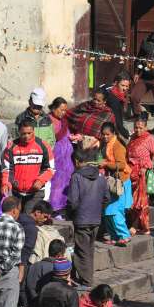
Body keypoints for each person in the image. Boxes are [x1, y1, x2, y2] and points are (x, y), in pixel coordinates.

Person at [66, 147, 109, 288]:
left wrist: (71, 213)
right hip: (96, 219)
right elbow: (106, 197)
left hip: (81, 219)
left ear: (77, 162)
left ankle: (87, 280)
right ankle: (87, 277)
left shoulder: (76, 177)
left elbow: (73, 201)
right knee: (89, 249)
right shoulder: (101, 177)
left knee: (81, 251)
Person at [1, 118, 54, 214]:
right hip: (16, 192)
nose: (26, 136)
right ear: (19, 132)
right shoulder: (11, 146)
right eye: (23, 133)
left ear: (33, 131)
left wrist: (40, 180)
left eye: (29, 133)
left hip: (36, 192)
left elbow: (50, 168)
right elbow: (7, 168)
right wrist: (6, 183)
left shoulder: (43, 146)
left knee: (29, 220)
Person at [127, 115, 154, 235]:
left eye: (141, 128)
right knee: (132, 201)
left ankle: (137, 225)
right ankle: (134, 224)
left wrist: (147, 166)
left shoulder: (149, 139)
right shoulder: (132, 138)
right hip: (131, 174)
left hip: (143, 175)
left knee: (140, 202)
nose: (138, 130)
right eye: (136, 127)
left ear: (146, 127)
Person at [100, 122, 133, 245]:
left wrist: (106, 164)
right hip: (111, 182)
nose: (105, 137)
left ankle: (124, 235)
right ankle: (114, 236)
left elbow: (121, 164)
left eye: (107, 135)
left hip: (120, 182)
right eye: (103, 135)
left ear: (113, 133)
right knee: (108, 212)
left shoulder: (117, 145)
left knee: (115, 211)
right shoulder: (105, 144)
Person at [48, 97, 74, 213]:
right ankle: (52, 209)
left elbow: (65, 135)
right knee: (55, 186)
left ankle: (61, 209)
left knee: (64, 186)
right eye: (61, 110)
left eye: (65, 110)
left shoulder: (63, 122)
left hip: (66, 163)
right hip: (55, 160)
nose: (63, 113)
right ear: (54, 108)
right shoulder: (48, 121)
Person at [104, 74, 133, 140]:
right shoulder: (115, 101)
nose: (125, 88)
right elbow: (118, 122)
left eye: (127, 86)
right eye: (122, 85)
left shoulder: (109, 87)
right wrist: (128, 135)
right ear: (116, 83)